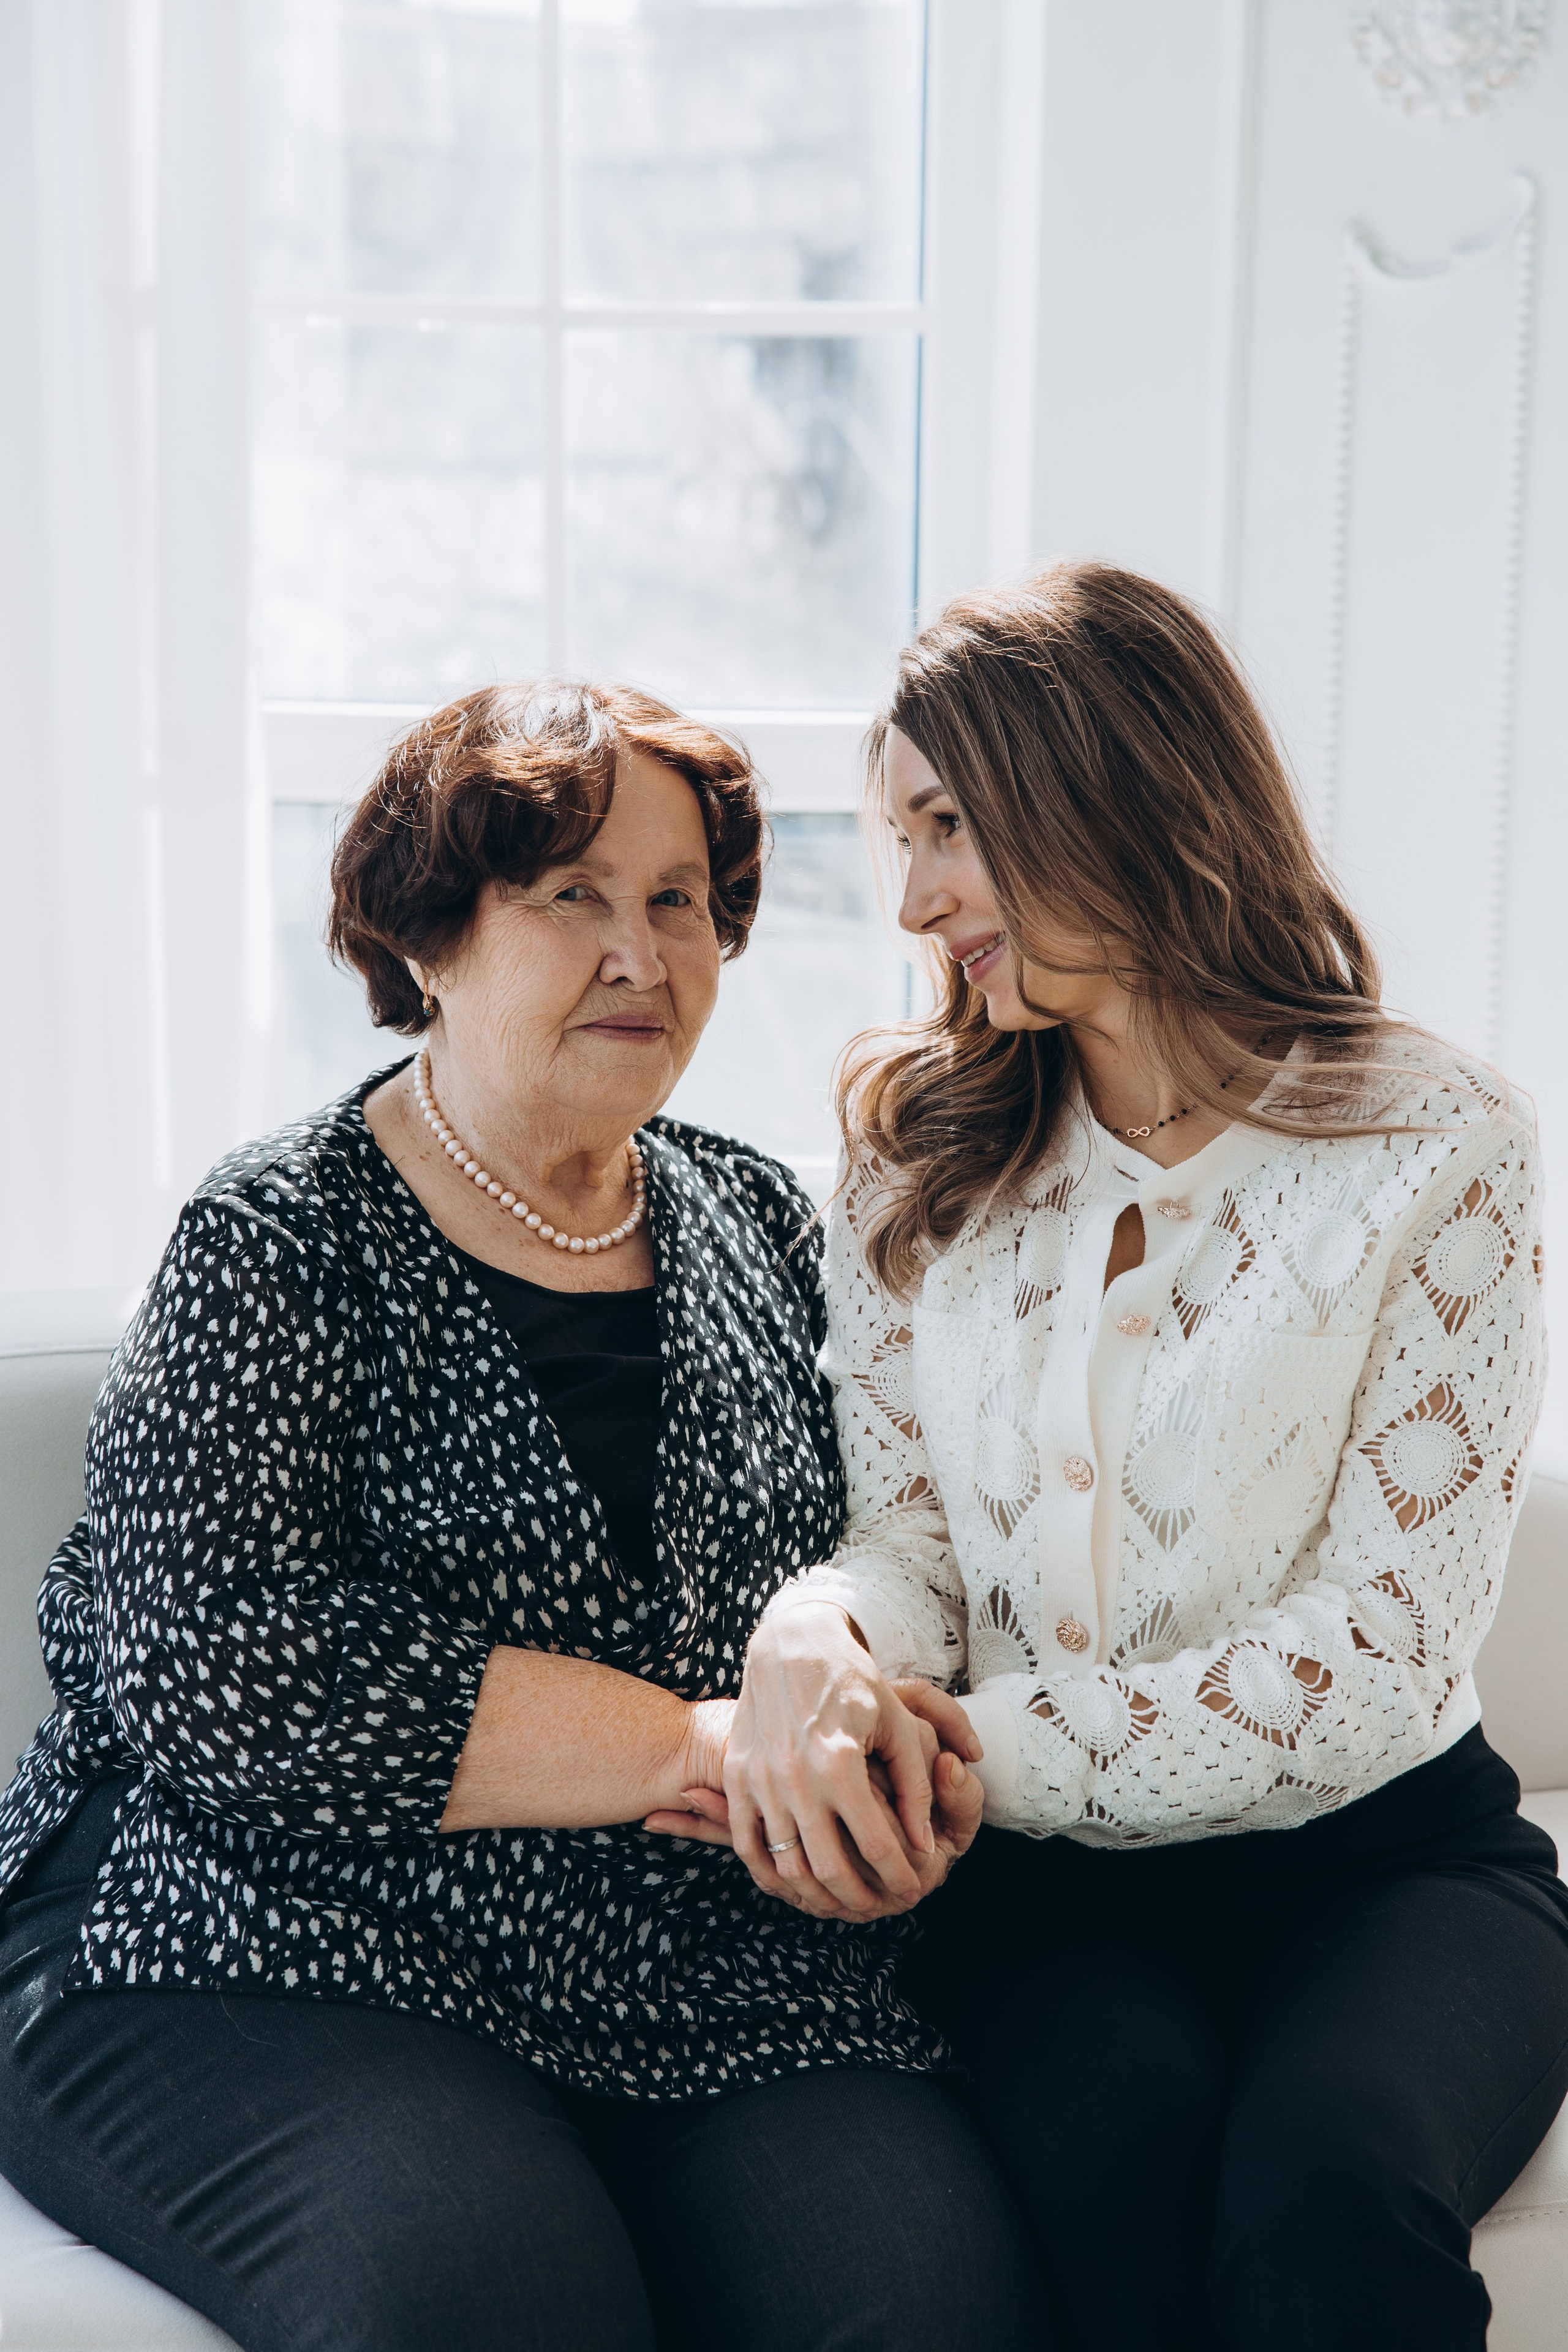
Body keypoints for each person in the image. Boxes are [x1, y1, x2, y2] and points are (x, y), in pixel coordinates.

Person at [0, 682, 1044, 2352]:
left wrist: (855, 1784)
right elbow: (223, 1665)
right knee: (497, 2299)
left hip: (690, 1960)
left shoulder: (759, 1216)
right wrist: (704, 1751)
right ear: (428, 936)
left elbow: (885, 1558)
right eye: (571, 896)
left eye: (679, 901)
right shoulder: (280, 1238)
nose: (641, 953)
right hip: (264, 1940)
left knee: (927, 2304)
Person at [674, 567, 1568, 2351]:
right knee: (1120, 2187)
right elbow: (912, 1535)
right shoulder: (916, 1159)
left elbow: (1379, 1652)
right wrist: (817, 1635)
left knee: (1334, 2191)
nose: (917, 900)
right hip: (1050, 1903)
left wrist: (955, 1762)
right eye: (901, 838)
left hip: (1388, 1864)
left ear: (1107, 783)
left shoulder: (1439, 1145)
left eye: (946, 827)